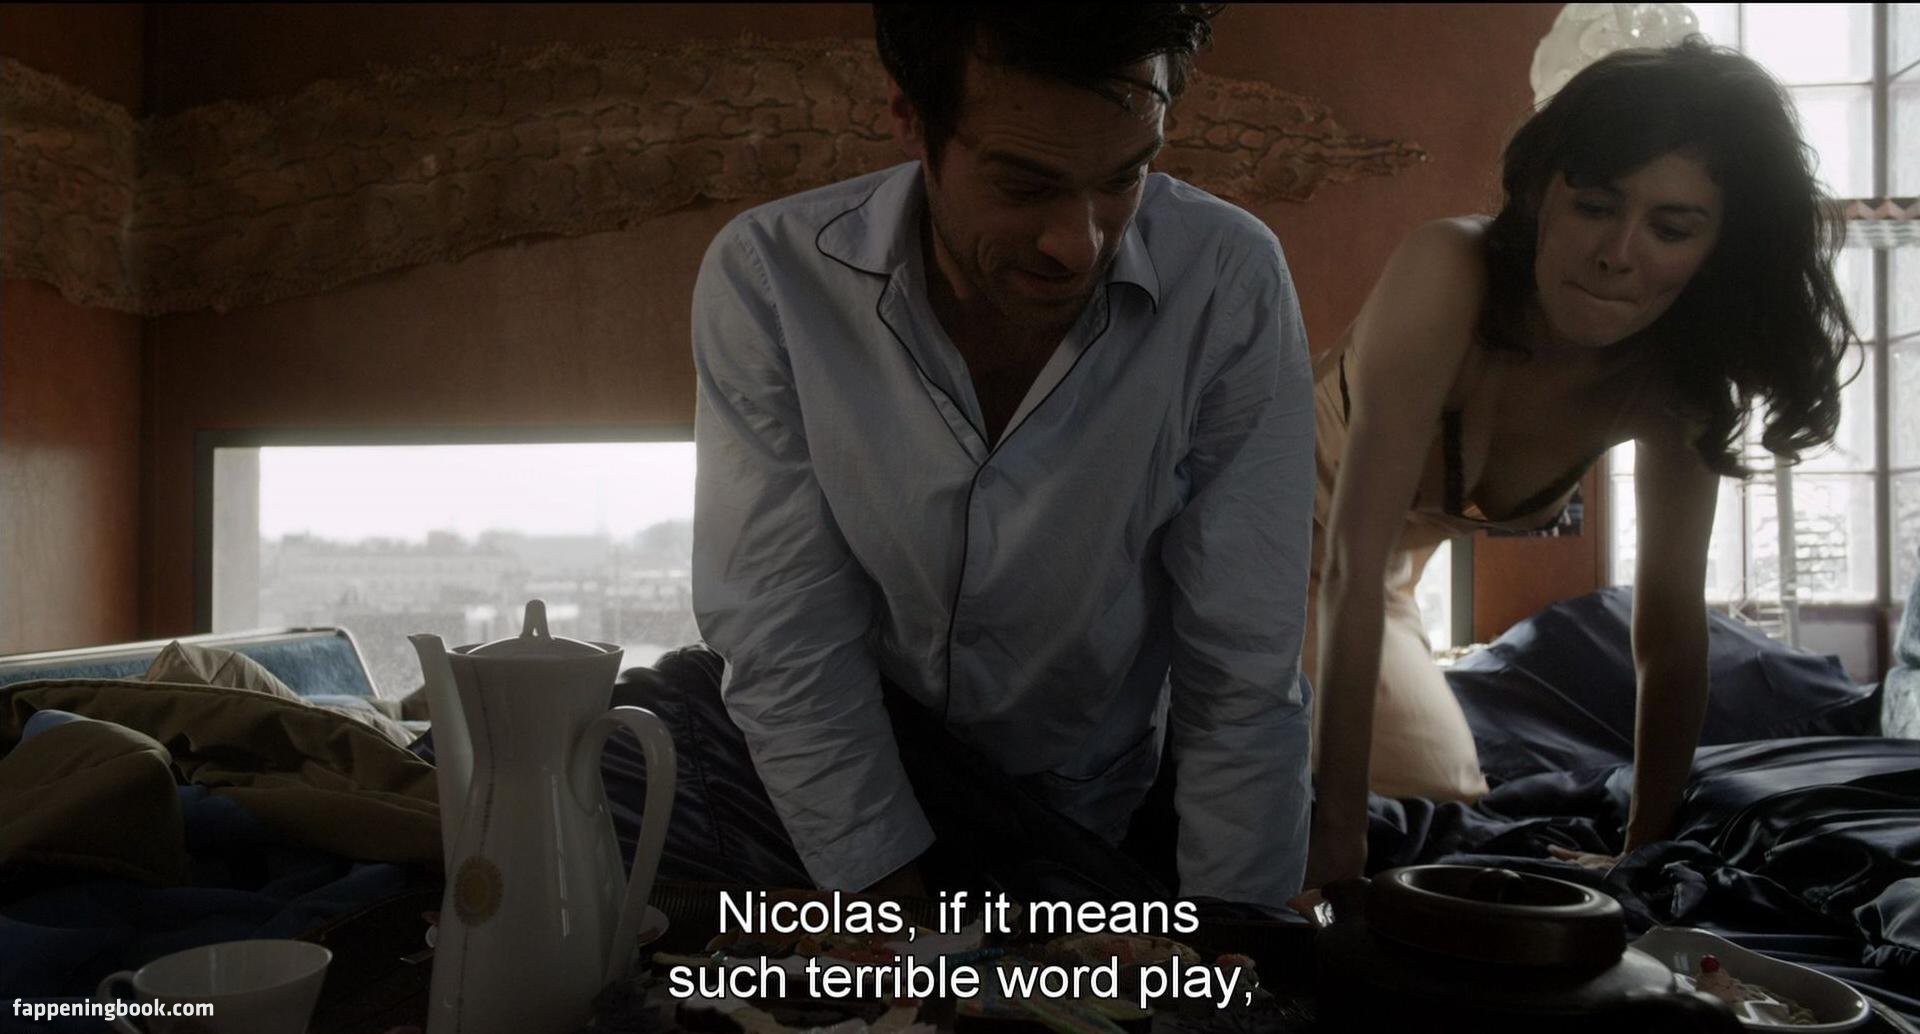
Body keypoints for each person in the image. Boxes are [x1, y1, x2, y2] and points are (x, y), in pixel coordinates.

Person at [688, 3, 1317, 910]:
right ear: (912, 120)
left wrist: (1234, 949)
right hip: (843, 781)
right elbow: (786, 630)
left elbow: (1244, 673)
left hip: (1091, 810)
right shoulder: (771, 279)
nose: (1078, 243)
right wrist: (897, 920)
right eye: (1025, 185)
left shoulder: (1227, 283)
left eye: (1124, 177)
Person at [1303, 39, 1857, 890]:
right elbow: (1348, 557)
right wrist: (1336, 835)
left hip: (1372, 589)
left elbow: (1670, 635)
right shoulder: (1447, 270)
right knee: (1249, 793)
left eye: (1672, 228)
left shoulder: (1675, 389)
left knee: (1435, 802)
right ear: (1541, 195)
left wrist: (1641, 849)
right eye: (1596, 206)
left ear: (1720, 248)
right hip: (1220, 531)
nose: (1618, 252)